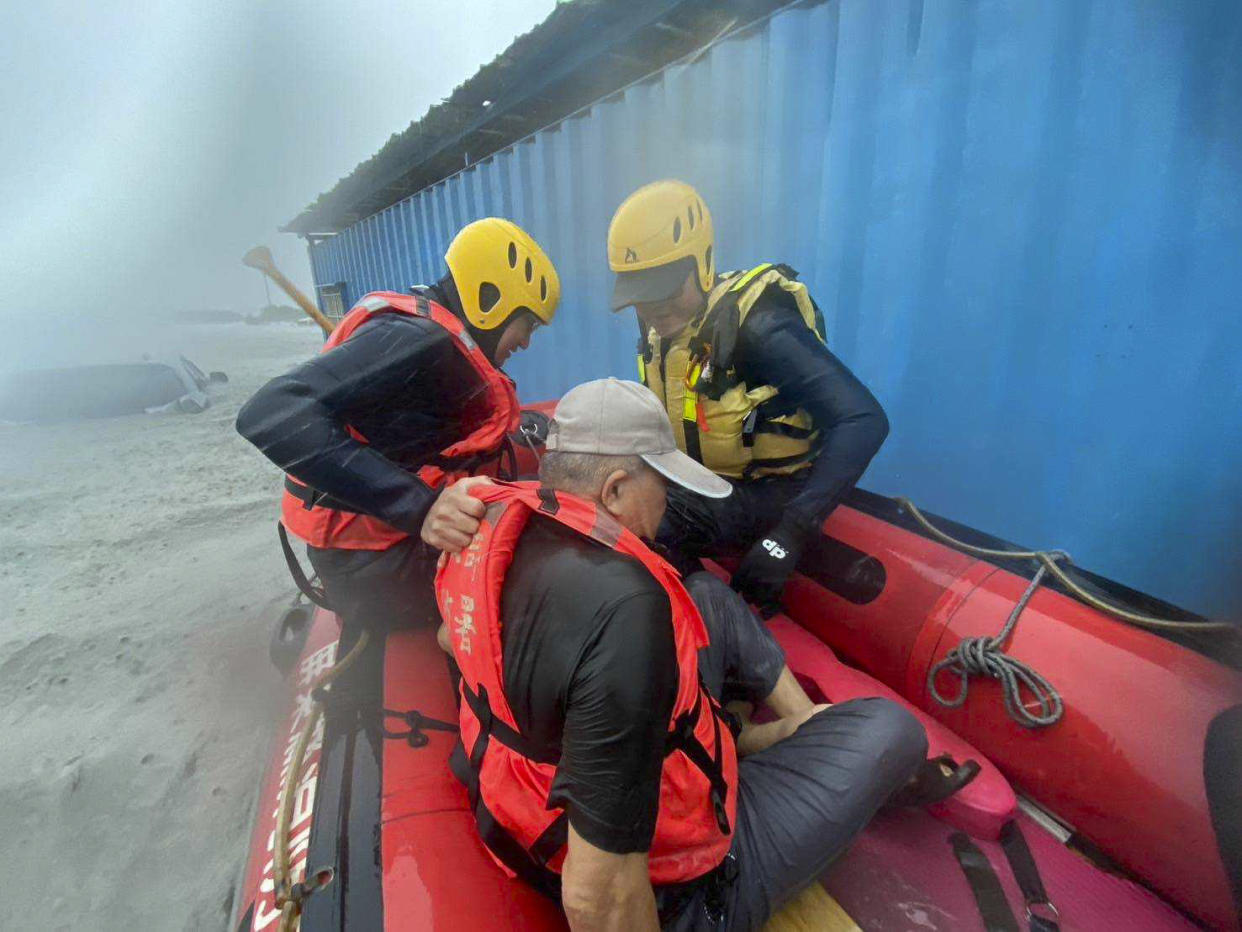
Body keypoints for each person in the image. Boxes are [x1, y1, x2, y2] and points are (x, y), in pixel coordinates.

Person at [437, 378, 927, 931]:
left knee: (707, 596)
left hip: (533, 795)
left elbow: (453, 642)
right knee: (894, 730)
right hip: (682, 891)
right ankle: (794, 739)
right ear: (616, 489)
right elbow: (597, 898)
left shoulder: (484, 526)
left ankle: (784, 729)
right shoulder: (625, 613)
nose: (670, 503)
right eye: (662, 484)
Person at [236, 215, 559, 661]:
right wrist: (421, 509)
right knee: (550, 572)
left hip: (365, 557)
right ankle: (469, 663)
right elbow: (270, 412)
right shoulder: (417, 343)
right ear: (492, 300)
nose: (525, 341)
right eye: (529, 324)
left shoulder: (427, 338)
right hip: (373, 569)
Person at [606, 180, 890, 615]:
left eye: (663, 291)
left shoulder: (759, 327)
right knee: (615, 505)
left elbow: (864, 418)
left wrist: (791, 534)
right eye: (641, 297)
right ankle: (690, 606)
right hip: (709, 482)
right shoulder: (660, 326)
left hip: (773, 493)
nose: (653, 309)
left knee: (652, 524)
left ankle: (718, 623)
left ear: (700, 264)